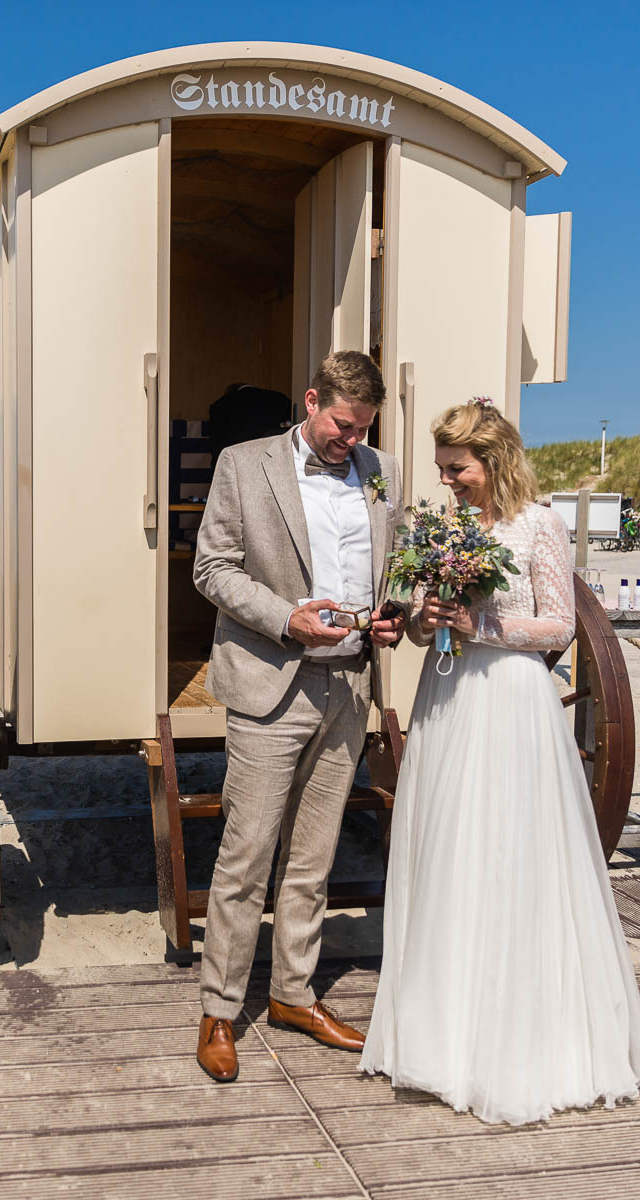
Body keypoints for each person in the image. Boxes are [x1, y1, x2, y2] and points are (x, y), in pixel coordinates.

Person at [359, 400, 640, 1125]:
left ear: (492, 462)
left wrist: (482, 624)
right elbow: (433, 630)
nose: (448, 482)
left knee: (509, 858)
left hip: (512, 704)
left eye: (456, 470)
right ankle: (441, 1036)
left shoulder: (539, 525)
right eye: (442, 472)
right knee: (448, 853)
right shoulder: (453, 530)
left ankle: (518, 1044)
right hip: (450, 698)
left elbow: (557, 623)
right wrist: (430, 621)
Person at [189, 350, 405, 1083]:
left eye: (363, 430)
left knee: (312, 860)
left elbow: (391, 565)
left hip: (348, 688)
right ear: (312, 402)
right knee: (245, 857)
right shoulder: (242, 464)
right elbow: (211, 568)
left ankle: (292, 996)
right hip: (270, 685)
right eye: (343, 427)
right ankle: (219, 1009)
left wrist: (388, 619)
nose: (352, 442)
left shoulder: (383, 469)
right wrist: (287, 618)